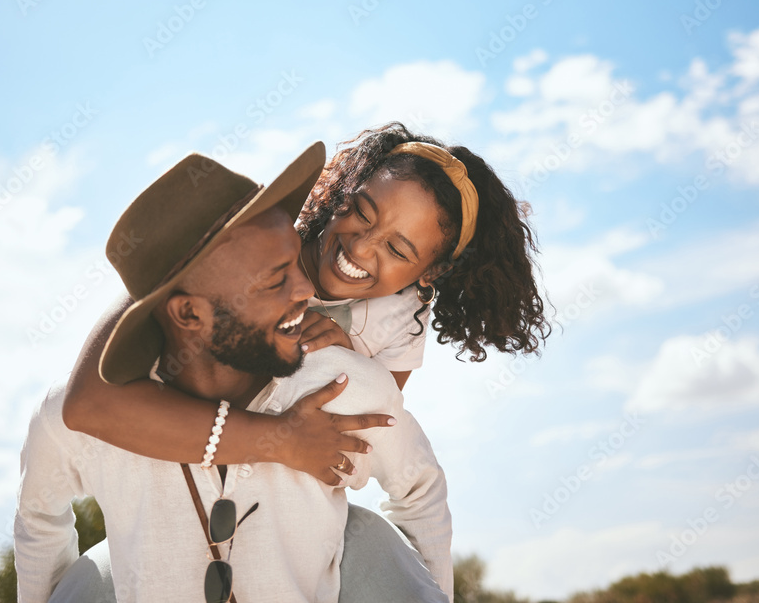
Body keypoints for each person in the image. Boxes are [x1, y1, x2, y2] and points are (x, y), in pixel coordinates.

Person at [14, 143, 453, 602]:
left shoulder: (344, 388)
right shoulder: (76, 417)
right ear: (188, 315)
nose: (308, 290)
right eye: (276, 278)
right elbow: (38, 515)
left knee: (367, 534)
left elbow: (421, 490)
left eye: (294, 261)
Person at [62, 122, 551, 485]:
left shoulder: (403, 320)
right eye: (361, 211)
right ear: (343, 191)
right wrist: (279, 441)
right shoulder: (258, 238)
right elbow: (87, 404)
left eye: (398, 249)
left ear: (430, 274)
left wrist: (348, 356)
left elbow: (365, 438)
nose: (360, 249)